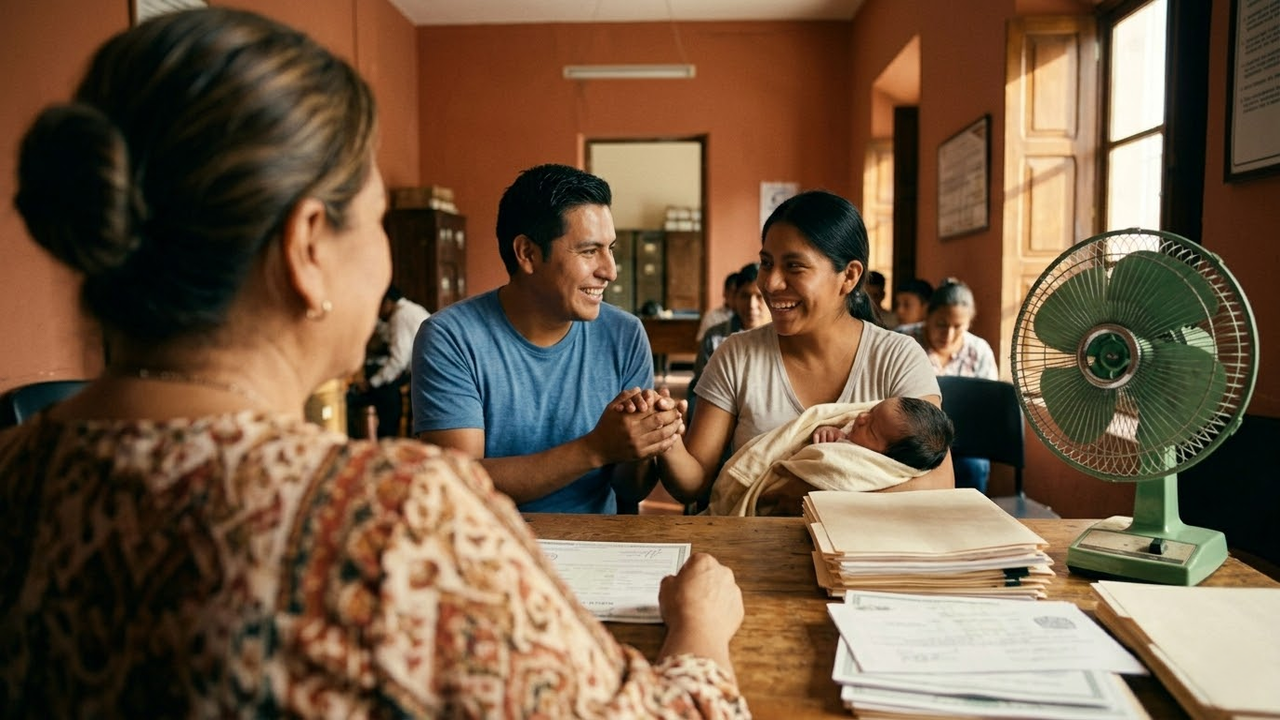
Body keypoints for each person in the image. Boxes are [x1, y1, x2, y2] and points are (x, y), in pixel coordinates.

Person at [0, 9, 748, 717]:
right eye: (378, 219)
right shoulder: (391, 522)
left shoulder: (19, 469)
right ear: (307, 248)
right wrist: (701, 629)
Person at [411, 164, 685, 514]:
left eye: (610, 248)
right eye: (589, 251)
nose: (610, 270)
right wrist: (594, 449)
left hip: (599, 549)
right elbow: (460, 483)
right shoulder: (450, 337)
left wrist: (645, 438)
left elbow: (629, 489)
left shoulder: (625, 333)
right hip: (491, 547)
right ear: (527, 253)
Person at [652, 190, 955, 506]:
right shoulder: (736, 356)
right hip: (755, 546)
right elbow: (693, 484)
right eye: (766, 263)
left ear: (849, 276)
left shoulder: (897, 358)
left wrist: (800, 492)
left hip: (863, 549)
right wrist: (668, 439)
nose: (770, 283)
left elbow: (939, 482)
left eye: (794, 267)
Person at [897, 278, 998, 492]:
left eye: (958, 327)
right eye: (941, 324)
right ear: (927, 317)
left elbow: (987, 410)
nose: (948, 335)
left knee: (975, 467)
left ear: (969, 323)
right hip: (911, 441)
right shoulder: (903, 342)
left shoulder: (979, 351)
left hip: (964, 443)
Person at [346, 284, 430, 437]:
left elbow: (398, 360)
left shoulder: (401, 316)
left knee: (382, 393)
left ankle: (386, 438)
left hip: (425, 374)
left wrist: (372, 383)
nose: (377, 313)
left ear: (387, 302)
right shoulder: (407, 310)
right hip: (420, 372)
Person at [689, 263, 769, 400]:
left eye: (760, 296)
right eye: (745, 296)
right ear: (734, 298)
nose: (752, 305)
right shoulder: (714, 338)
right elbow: (701, 391)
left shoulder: (785, 338)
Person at [810, 396, 954, 472]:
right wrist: (830, 433)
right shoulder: (854, 435)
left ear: (888, 459)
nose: (861, 417)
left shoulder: (868, 465)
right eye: (872, 411)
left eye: (871, 429)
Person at [696, 271, 738, 341]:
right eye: (734, 293)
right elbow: (701, 344)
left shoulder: (749, 317)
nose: (737, 298)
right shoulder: (712, 317)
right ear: (725, 293)